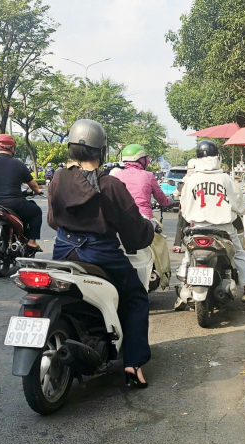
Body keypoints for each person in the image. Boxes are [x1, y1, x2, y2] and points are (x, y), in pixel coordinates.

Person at [48, 119, 155, 388]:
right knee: (135, 297)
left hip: (62, 250)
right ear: (102, 151)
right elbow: (133, 229)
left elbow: (52, 220)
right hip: (100, 254)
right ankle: (132, 363)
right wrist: (146, 233)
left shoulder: (57, 178)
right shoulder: (109, 185)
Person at [180, 140, 245, 304]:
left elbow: (184, 207)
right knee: (240, 255)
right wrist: (244, 209)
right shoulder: (225, 179)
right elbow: (239, 202)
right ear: (217, 158)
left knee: (188, 255)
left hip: (198, 228)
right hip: (224, 230)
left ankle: (185, 287)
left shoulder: (192, 180)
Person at [113, 144, 172, 289]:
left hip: (119, 222)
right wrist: (168, 202)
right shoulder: (148, 176)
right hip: (145, 220)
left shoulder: (116, 176)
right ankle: (164, 276)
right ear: (140, 160)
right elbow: (161, 198)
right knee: (161, 244)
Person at [0, 134, 43, 254]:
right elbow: (34, 185)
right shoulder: (19, 164)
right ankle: (31, 241)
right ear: (12, 148)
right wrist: (38, 191)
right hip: (14, 204)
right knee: (36, 211)